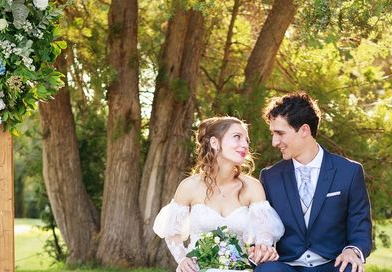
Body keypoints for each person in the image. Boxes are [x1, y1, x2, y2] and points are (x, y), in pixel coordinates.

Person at [255, 92, 372, 272]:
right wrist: (263, 247)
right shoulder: (270, 177)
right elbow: (264, 227)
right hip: (286, 266)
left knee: (350, 268)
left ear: (304, 130)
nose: (274, 142)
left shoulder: (349, 172)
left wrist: (352, 251)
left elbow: (360, 227)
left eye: (279, 133)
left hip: (332, 265)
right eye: (272, 134)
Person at [153, 116, 285, 272]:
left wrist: (263, 247)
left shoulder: (252, 187)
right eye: (237, 137)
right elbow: (172, 232)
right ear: (214, 143)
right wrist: (182, 259)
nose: (245, 145)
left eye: (247, 141)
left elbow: (264, 231)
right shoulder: (189, 186)